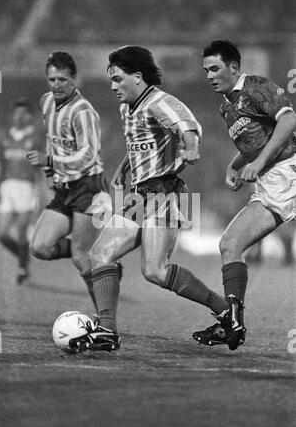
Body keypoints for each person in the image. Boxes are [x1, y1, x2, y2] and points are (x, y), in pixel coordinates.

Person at [68, 45, 241, 353]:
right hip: (139, 194)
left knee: (155, 270)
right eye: (111, 80)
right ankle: (107, 331)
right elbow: (139, 144)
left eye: (118, 79)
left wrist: (191, 147)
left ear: (138, 77)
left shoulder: (160, 101)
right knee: (99, 255)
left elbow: (189, 127)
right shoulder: (127, 108)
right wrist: (125, 166)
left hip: (166, 192)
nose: (113, 86)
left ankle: (225, 312)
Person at [193, 39, 296, 348]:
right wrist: (235, 164)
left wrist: (261, 163)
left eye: (216, 68)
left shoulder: (255, 86)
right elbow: (256, 139)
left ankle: (232, 322)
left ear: (234, 67)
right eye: (206, 70)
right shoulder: (227, 106)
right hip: (272, 180)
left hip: (287, 171)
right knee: (230, 244)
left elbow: (289, 119)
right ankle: (233, 322)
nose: (210, 75)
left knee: (231, 244)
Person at [26, 51, 121, 313]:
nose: (56, 85)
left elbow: (88, 155)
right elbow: (52, 138)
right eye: (52, 79)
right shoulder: (46, 102)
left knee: (81, 257)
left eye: (62, 80)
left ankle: (106, 321)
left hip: (88, 188)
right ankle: (106, 263)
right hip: (65, 187)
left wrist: (51, 162)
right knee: (41, 247)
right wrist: (50, 174)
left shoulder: (83, 112)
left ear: (74, 80)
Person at [0, 97, 43, 284]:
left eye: (23, 114)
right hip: (8, 187)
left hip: (27, 187)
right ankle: (23, 258)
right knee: (3, 234)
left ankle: (22, 268)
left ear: (30, 117)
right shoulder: (4, 137)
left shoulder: (35, 138)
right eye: (16, 113)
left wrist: (41, 191)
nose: (19, 117)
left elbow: (41, 167)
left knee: (23, 231)